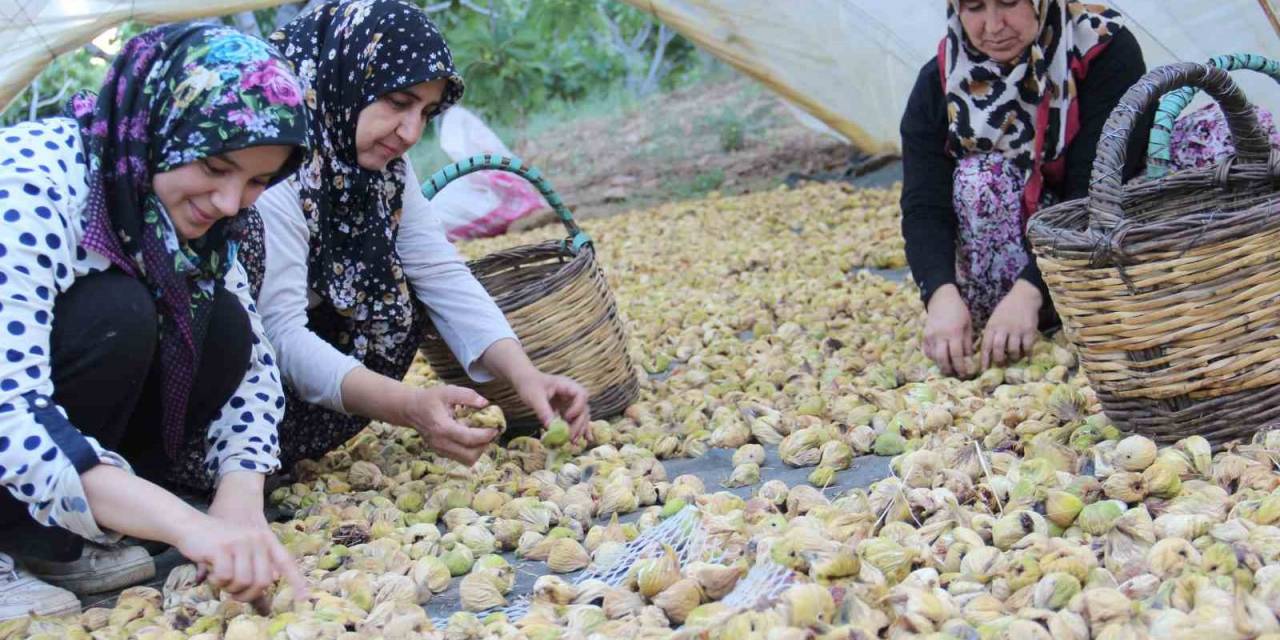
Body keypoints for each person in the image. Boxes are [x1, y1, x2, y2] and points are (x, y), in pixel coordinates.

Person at [0, 24, 310, 620]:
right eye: (216, 166)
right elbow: (11, 410)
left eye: (256, 181)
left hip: (47, 436)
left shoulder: (202, 220)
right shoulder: (33, 184)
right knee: (115, 312)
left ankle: (57, 537)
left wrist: (238, 499)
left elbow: (253, 364)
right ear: (162, 129)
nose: (228, 201)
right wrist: (186, 526)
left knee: (219, 326)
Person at [243, 0, 590, 472]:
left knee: (404, 301)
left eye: (426, 112)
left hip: (304, 365)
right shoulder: (272, 161)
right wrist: (408, 406)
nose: (411, 132)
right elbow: (278, 331)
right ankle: (234, 467)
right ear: (346, 76)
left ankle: (288, 451)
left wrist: (524, 375)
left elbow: (439, 270)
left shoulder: (385, 170)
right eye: (399, 102)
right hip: (232, 384)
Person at [900, 0, 1152, 377]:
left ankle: (1066, 303)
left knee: (1215, 137)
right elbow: (924, 203)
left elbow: (1098, 188)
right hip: (1009, 268)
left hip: (1104, 238)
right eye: (973, 7)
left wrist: (1031, 289)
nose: (993, 25)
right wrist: (938, 293)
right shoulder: (942, 78)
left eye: (1008, 2)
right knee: (979, 179)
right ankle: (1019, 315)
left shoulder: (1102, 48)